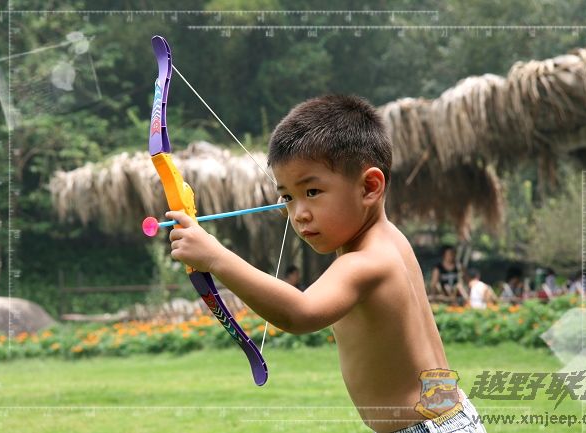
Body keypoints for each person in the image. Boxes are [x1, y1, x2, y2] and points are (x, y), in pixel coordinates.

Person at [166, 95, 485, 433]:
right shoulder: (390, 241)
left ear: (369, 187)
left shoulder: (368, 262)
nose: (298, 214)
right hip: (445, 418)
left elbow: (299, 312)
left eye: (312, 192)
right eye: (287, 197)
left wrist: (215, 257)